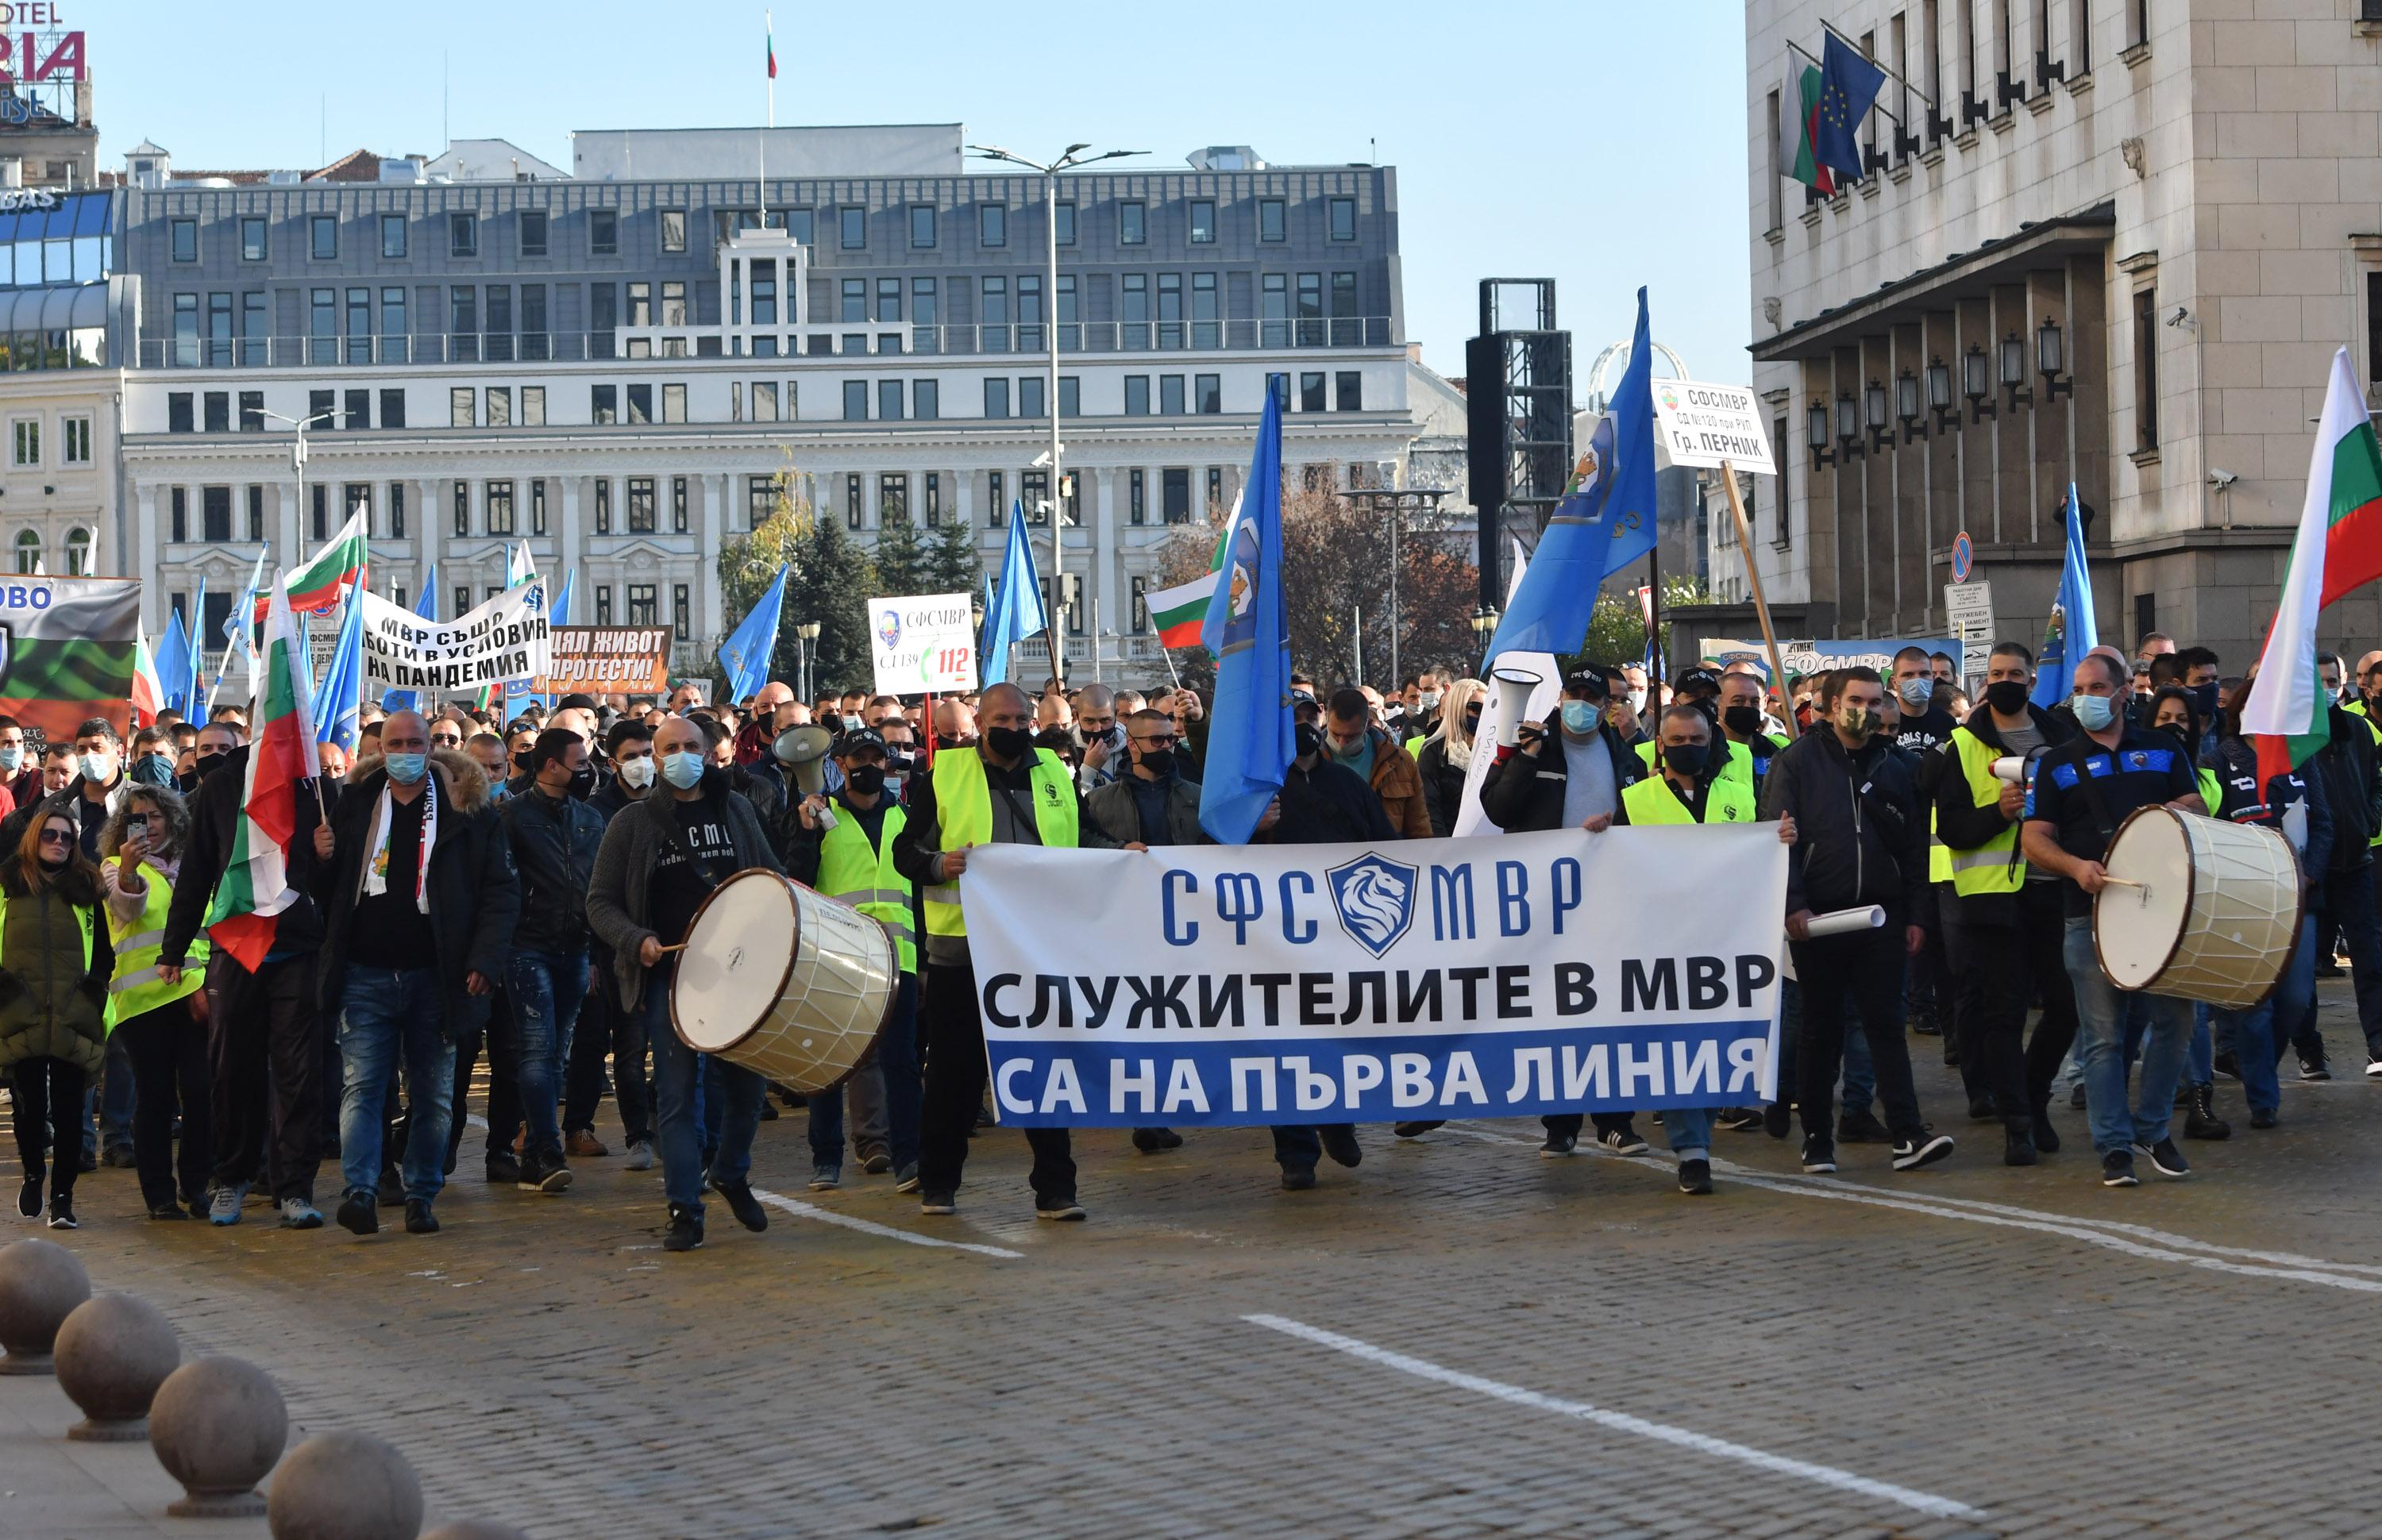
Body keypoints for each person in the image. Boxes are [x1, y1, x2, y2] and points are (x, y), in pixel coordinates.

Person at [318, 711, 521, 1237]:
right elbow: (327, 889)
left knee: (432, 1093)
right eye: (395, 743)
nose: (405, 752)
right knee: (361, 1087)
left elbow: (501, 892)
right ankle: (361, 1190)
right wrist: (318, 858)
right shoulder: (357, 804)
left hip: (439, 976)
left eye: (415, 742)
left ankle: (421, 1192)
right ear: (378, 750)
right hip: (365, 973)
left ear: (431, 747)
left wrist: (484, 960)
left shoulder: (466, 810)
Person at [893, 680, 1089, 1219]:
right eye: (1000, 720)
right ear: (980, 723)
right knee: (955, 1074)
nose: (1012, 729)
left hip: (1038, 947)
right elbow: (905, 851)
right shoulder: (946, 775)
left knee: (1043, 1070)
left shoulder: (1053, 771)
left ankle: (1056, 1190)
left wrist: (1125, 853)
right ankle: (939, 1183)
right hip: (964, 950)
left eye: (1020, 720)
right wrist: (940, 864)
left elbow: (1084, 836)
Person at [587, 714, 781, 1253]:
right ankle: (683, 1209)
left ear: (709, 749)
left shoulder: (736, 809)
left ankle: (730, 1171)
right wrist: (636, 939)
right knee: (676, 1096)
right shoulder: (631, 823)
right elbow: (599, 902)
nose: (679, 755)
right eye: (667, 747)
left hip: (741, 978)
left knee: (747, 1090)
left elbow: (771, 878)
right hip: (669, 981)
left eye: (689, 745)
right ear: (653, 753)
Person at [2019, 652, 2206, 1187]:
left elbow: (2194, 803)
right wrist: (2076, 867)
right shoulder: (2057, 763)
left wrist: (2165, 819)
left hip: (2165, 913)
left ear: (2125, 692)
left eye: (2098, 687)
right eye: (2080, 688)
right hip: (2090, 916)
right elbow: (2034, 838)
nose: (2087, 698)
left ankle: (2153, 1129)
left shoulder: (2163, 748)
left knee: (2176, 1024)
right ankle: (2114, 1146)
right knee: (2103, 1036)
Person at [1763, 666, 1953, 1176]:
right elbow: (1776, 842)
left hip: (1879, 918)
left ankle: (1908, 1133)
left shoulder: (1897, 768)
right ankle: (1818, 1141)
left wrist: (1915, 914)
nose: (1865, 711)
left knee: (1885, 1027)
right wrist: (1793, 905)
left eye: (1874, 703)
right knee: (1820, 1030)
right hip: (1820, 920)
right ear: (1827, 705)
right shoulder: (1796, 763)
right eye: (1856, 701)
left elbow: (1914, 848)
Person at [1611, 702, 1795, 1194]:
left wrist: (1781, 837)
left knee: (1721, 1043)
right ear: (1660, 745)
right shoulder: (1634, 800)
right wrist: (1593, 836)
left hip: (1731, 940)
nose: (1688, 749)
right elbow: (1614, 867)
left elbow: (1765, 852)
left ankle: (1702, 1130)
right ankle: (1691, 1148)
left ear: (1711, 742)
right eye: (1677, 742)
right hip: (1663, 943)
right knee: (1677, 1046)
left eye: (1697, 740)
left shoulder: (1742, 794)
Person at [159, 724, 332, 1229]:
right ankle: (231, 1178)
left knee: (299, 1075)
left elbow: (331, 880)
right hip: (236, 949)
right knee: (232, 1069)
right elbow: (196, 871)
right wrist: (174, 948)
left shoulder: (315, 786)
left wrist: (327, 854)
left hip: (296, 950)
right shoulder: (221, 786)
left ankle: (295, 1188)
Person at [1477, 666, 1652, 1155]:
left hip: (1606, 900)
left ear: (1605, 704)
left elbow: (1643, 819)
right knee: (1553, 1012)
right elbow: (1499, 810)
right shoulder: (1534, 745)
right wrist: (1525, 759)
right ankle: (1561, 1122)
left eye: (1590, 696)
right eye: (1573, 693)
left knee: (1609, 1011)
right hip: (1544, 903)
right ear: (1560, 696)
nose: (1580, 702)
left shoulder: (1624, 756)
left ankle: (1615, 1119)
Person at [1933, 643, 2079, 1165]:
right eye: (1996, 674)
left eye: (2015, 673)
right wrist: (1998, 812)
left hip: (2054, 891)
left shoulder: (2062, 738)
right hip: (1993, 901)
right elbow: (1950, 827)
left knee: (2066, 1007)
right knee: (2003, 1014)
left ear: (2033, 680)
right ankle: (2017, 1124)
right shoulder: (1964, 743)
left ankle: (2034, 1094)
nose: (2005, 681)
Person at [787, 727, 924, 1191]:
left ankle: (909, 1155)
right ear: (841, 764)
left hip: (897, 958)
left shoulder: (907, 818)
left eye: (876, 757)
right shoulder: (820, 816)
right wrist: (806, 834)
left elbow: (920, 895)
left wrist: (924, 960)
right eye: (857, 758)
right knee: (830, 1062)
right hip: (837, 959)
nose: (867, 766)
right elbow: (797, 881)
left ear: (887, 763)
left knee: (901, 1062)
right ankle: (826, 1159)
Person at [2199, 680, 2326, 1132]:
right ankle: (2262, 1098)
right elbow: (2209, 832)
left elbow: (2323, 824)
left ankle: (2261, 1068)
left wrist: (2309, 873)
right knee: (2255, 1004)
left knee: (2293, 1001)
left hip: (2299, 900)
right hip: (2246, 903)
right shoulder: (2216, 762)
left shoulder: (2300, 760)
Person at [495, 727, 607, 1193]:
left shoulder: (590, 819)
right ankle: (544, 1148)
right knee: (538, 1051)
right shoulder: (512, 817)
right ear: (551, 766)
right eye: (579, 764)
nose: (587, 772)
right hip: (527, 948)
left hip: (576, 949)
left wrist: (597, 952)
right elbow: (500, 886)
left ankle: (538, 1151)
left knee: (556, 1055)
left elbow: (600, 891)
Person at [99, 785, 216, 1221]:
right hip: (143, 1002)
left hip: (195, 995)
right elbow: (127, 909)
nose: (148, 824)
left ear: (172, 819)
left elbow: (208, 933)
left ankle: (197, 1185)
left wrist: (203, 985)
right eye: (138, 817)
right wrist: (131, 871)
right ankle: (159, 1195)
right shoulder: (113, 865)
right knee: (156, 1096)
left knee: (201, 1093)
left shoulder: (197, 866)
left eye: (155, 815)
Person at [0, 809, 113, 1228]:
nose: (59, 842)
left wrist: (93, 994)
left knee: (69, 1110)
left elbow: (104, 953)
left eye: (67, 837)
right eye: (50, 834)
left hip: (73, 1013)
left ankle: (62, 1199)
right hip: (20, 1012)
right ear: (34, 836)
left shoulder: (86, 887)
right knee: (29, 1106)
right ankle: (33, 1174)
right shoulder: (7, 885)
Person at [569, 718, 658, 1168]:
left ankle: (651, 1129)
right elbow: (590, 892)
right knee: (608, 1046)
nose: (642, 765)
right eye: (631, 757)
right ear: (612, 763)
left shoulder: (669, 805)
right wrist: (589, 956)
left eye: (648, 754)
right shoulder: (596, 813)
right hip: (608, 949)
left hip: (658, 947)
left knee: (650, 1046)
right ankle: (608, 1129)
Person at [1320, 687, 1432, 838]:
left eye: (1351, 737)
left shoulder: (1400, 761)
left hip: (1388, 856)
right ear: (1327, 720)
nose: (1341, 743)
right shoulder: (1310, 760)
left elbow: (1419, 827)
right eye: (1335, 734)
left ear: (1368, 724)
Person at [1415, 678, 1485, 837]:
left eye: (1489, 709)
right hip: (1452, 845)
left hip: (1493, 845)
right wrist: (1446, 849)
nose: (1483, 715)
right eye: (1476, 708)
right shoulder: (1432, 751)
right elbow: (1430, 807)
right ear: (1457, 709)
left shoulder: (1495, 749)